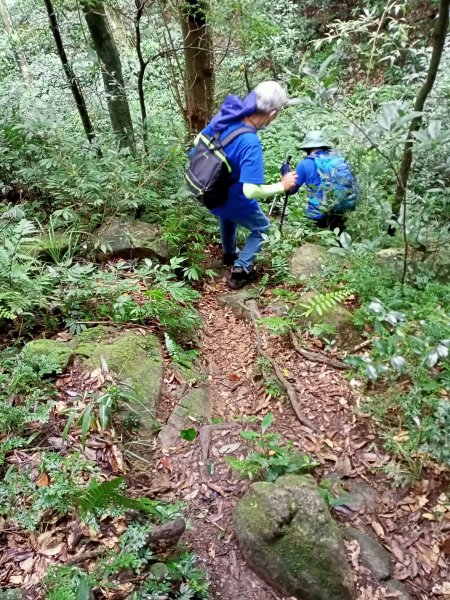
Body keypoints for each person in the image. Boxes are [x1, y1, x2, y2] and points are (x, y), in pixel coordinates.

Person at [194, 81, 298, 289]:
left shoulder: (227, 117)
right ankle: (240, 270)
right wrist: (282, 185)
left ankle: (229, 254)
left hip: (207, 191)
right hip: (227, 196)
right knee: (262, 228)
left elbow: (198, 141)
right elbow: (250, 190)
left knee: (227, 214)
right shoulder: (250, 142)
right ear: (271, 114)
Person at [290, 130, 358, 232]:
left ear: (307, 147)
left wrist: (286, 174)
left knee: (317, 243)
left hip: (318, 213)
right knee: (339, 238)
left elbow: (291, 190)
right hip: (340, 209)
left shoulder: (305, 164)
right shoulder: (338, 159)